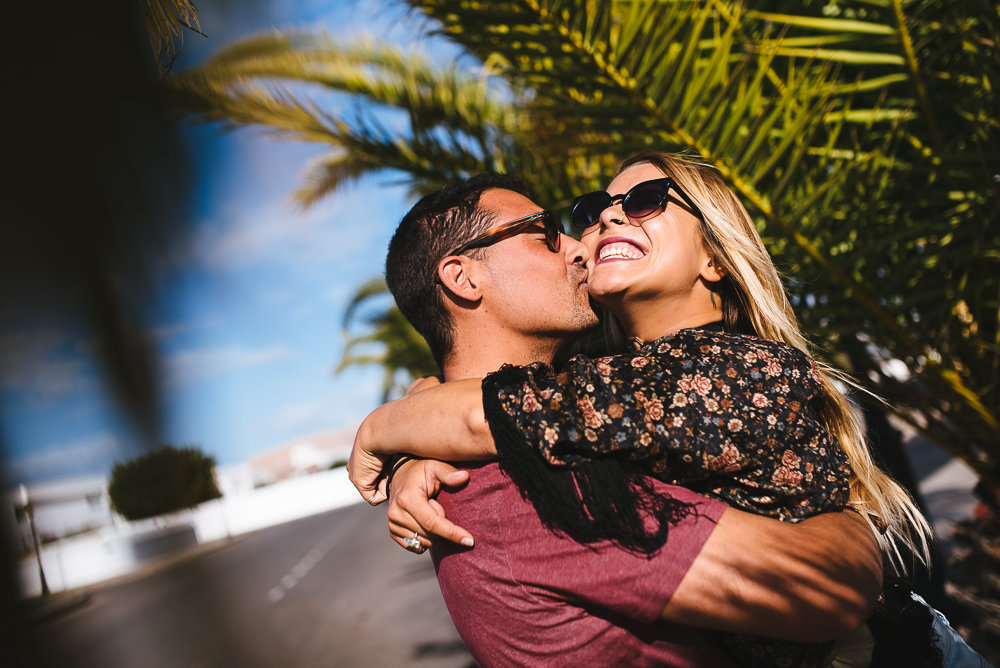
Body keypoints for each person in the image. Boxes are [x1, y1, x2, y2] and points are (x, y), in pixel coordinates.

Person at [348, 172, 884, 667]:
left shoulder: (715, 372)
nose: (584, 243)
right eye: (546, 233)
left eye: (648, 201)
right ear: (462, 277)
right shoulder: (535, 487)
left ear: (715, 261)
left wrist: (392, 434)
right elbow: (825, 587)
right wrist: (853, 524)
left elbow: (482, 411)